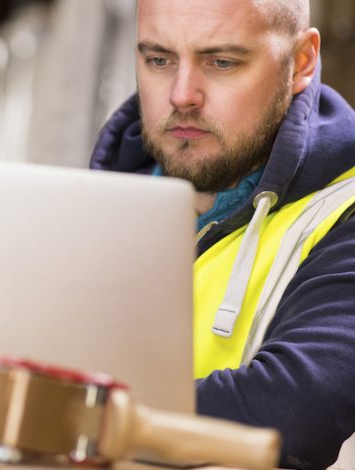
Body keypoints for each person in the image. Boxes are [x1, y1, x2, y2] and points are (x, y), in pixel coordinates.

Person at [90, 1, 355, 468]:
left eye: (222, 62)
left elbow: (293, 410)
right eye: (159, 60)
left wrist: (68, 412)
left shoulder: (342, 208)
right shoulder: (98, 196)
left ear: (302, 63)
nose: (182, 94)